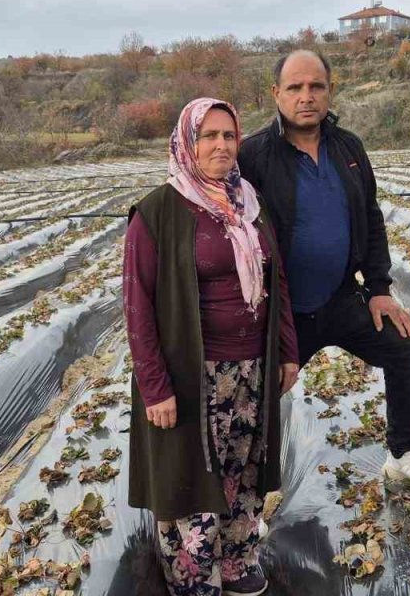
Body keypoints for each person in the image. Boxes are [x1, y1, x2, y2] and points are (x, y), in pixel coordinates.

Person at [238, 50, 410, 492]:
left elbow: (370, 217)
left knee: (407, 348)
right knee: (258, 392)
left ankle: (403, 455)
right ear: (276, 94)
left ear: (330, 90)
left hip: (340, 297)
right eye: (295, 88)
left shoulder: (348, 148)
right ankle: (250, 495)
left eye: (316, 86)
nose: (306, 96)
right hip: (283, 311)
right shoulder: (253, 156)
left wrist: (378, 288)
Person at [124, 97, 299, 596]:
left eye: (228, 135)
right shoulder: (158, 211)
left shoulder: (251, 206)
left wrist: (287, 350)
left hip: (252, 368)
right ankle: (194, 573)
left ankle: (238, 559)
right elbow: (137, 306)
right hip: (193, 373)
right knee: (192, 473)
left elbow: (277, 282)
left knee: (243, 467)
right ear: (187, 142)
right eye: (209, 136)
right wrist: (155, 387)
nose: (221, 145)